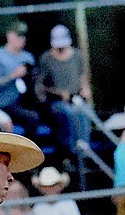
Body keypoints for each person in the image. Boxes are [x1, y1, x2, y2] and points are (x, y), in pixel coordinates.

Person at [37, 24, 93, 162]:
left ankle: (84, 150)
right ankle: (72, 152)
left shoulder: (78, 56)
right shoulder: (46, 59)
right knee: (68, 113)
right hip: (56, 101)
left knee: (84, 112)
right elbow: (41, 87)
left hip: (77, 98)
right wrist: (58, 93)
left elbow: (83, 77)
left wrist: (85, 89)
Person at [0, 20, 41, 134]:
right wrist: (13, 75)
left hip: (25, 101)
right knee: (32, 117)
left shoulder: (28, 57)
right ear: (10, 35)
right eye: (18, 35)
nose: (22, 39)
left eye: (23, 36)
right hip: (5, 103)